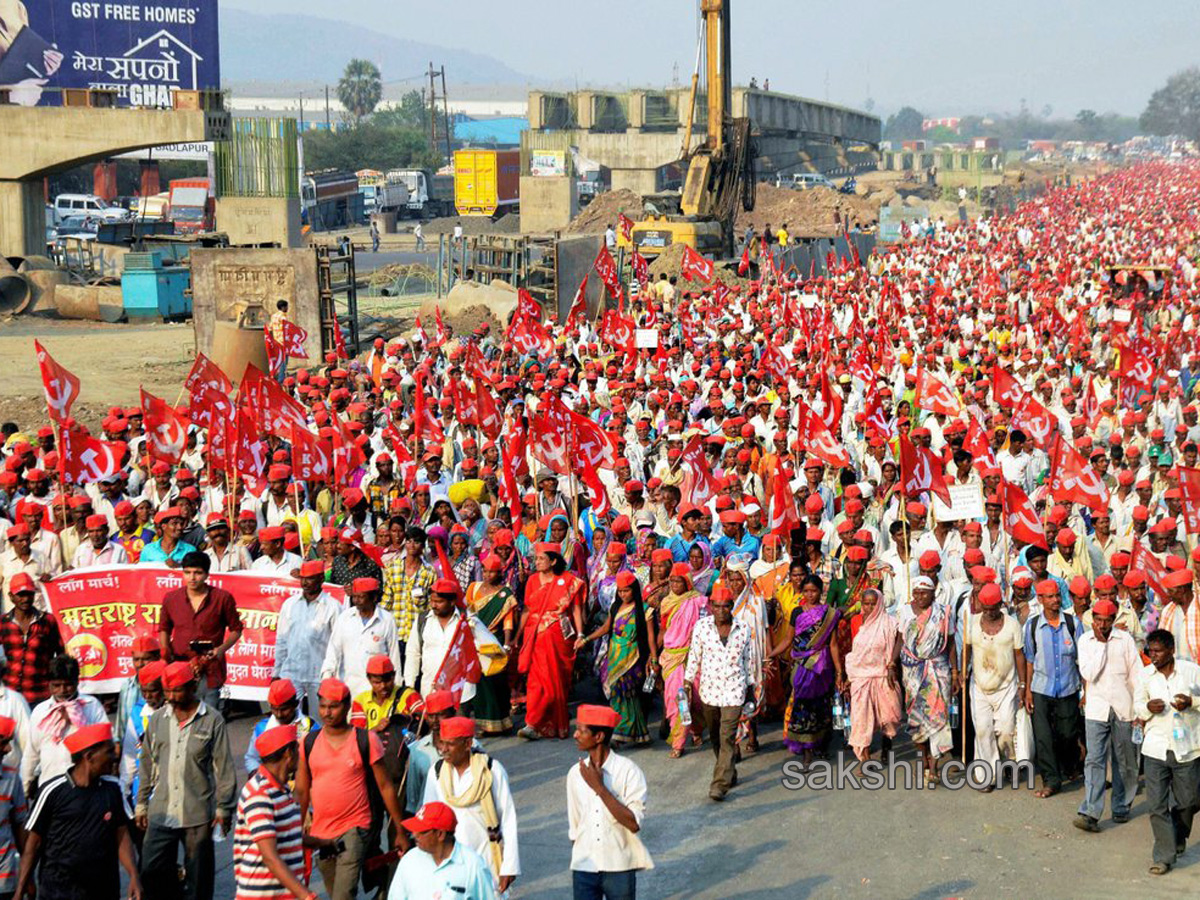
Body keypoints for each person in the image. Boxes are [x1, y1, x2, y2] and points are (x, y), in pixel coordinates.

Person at [293, 678, 407, 900]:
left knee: (343, 895)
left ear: (346, 707)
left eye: (333, 707)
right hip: (320, 833)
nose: (327, 712)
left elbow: (385, 786)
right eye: (323, 706)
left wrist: (400, 830)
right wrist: (296, 831)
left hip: (355, 828)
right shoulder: (308, 743)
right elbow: (302, 791)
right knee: (336, 891)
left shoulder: (365, 739)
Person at [136, 661, 237, 900]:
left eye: (177, 690)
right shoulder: (158, 719)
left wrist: (224, 809)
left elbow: (224, 768)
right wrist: (141, 803)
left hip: (197, 814)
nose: (171, 696)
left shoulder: (212, 720)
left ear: (192, 687)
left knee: (199, 879)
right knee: (151, 870)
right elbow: (147, 763)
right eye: (167, 691)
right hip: (161, 811)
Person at [15, 723, 142, 900]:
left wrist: (134, 876)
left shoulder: (112, 789)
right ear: (89, 756)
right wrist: (20, 890)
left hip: (103, 889)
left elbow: (121, 835)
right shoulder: (52, 791)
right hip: (59, 890)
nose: (115, 757)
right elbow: (33, 844)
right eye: (109, 752)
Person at [422, 716, 519, 894]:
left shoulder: (491, 770)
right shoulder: (436, 773)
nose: (443, 750)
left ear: (467, 744)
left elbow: (507, 817)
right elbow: (428, 819)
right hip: (449, 861)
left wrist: (509, 866)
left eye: (450, 744)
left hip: (487, 859)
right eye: (442, 743)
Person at [566, 704, 653, 900]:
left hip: (619, 866)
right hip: (584, 866)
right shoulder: (574, 774)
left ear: (598, 737)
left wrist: (600, 789)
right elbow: (575, 825)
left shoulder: (629, 771)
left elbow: (633, 823)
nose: (575, 735)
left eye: (581, 730)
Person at [1136, 628, 1200, 876]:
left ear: (1171, 650)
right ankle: (1163, 856)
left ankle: (1177, 835)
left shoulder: (1191, 672)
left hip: (1188, 749)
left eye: (1158, 651)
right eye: (1150, 651)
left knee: (1190, 801)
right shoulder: (1145, 676)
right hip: (1155, 748)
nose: (1154, 656)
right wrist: (1147, 708)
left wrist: (1191, 702)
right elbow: (1137, 706)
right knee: (1156, 805)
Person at [1074, 597, 1141, 832]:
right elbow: (1089, 674)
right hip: (1096, 707)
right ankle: (1090, 811)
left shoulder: (1125, 640)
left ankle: (1121, 806)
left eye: (1107, 621)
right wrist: (1102, 645)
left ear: (1114, 620)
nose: (1102, 625)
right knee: (1094, 759)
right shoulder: (1086, 641)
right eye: (1099, 620)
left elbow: (1136, 674)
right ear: (1093, 620)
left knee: (1124, 760)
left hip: (1124, 706)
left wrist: (1139, 708)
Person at [683, 585, 755, 801]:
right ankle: (729, 770)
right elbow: (694, 656)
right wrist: (687, 683)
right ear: (711, 607)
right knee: (715, 735)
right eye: (717, 606)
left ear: (732, 607)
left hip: (735, 689)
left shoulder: (743, 629)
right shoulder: (702, 628)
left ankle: (719, 784)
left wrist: (751, 688)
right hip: (709, 690)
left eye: (725, 607)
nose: (721, 611)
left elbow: (748, 661)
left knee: (727, 736)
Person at [232, 724, 317, 900]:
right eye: (297, 748)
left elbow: (288, 834)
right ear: (288, 753)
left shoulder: (282, 788)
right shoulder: (259, 794)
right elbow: (270, 856)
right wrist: (306, 895)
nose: (300, 754)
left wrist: (324, 843)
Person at [770, 573, 845, 767]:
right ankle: (806, 751)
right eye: (806, 591)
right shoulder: (797, 612)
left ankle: (821, 745)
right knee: (803, 706)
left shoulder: (829, 614)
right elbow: (788, 640)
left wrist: (839, 672)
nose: (810, 595)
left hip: (822, 666)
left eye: (814, 591)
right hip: (802, 667)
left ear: (821, 592)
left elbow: (834, 644)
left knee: (822, 706)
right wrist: (771, 654)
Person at [576, 572, 657, 746]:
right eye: (620, 591)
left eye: (626, 591)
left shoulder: (644, 610)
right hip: (615, 655)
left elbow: (650, 637)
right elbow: (606, 627)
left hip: (633, 657)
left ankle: (621, 731)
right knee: (618, 694)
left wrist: (654, 658)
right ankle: (640, 733)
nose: (623, 595)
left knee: (626, 693)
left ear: (633, 590)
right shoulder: (615, 607)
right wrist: (587, 639)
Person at [158, 550, 243, 709]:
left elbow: (236, 630)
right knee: (179, 712)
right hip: (179, 664)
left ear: (206, 574)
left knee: (208, 715)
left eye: (197, 573)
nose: (192, 577)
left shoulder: (222, 598)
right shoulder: (171, 598)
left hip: (209, 667)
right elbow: (164, 629)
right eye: (187, 572)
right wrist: (165, 652)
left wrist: (221, 649)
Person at [517, 543, 585, 740]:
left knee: (556, 680)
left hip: (558, 637)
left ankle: (550, 724)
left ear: (553, 561)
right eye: (536, 559)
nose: (537, 562)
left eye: (541, 559)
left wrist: (580, 634)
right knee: (536, 681)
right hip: (535, 635)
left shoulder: (568, 581)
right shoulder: (531, 581)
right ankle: (533, 723)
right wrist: (517, 636)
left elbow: (576, 610)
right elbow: (527, 610)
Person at [1023, 578, 1083, 798]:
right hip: (1041, 689)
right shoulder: (1032, 626)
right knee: (1043, 736)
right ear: (1040, 599)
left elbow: (1082, 659)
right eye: (1049, 597)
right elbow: (1030, 659)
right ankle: (1051, 780)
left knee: (1067, 734)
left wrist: (1084, 691)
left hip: (1068, 688)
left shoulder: (1073, 623)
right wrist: (1027, 690)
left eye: (1057, 595)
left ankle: (1071, 763)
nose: (1055, 600)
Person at [963, 583, 1026, 790]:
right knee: (983, 730)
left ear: (1000, 604)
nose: (989, 612)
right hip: (979, 686)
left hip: (1006, 686)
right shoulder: (970, 623)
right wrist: (961, 673)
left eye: (993, 608)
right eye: (985, 607)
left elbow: (1019, 655)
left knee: (1006, 730)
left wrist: (1023, 685)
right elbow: (967, 649)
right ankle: (987, 776)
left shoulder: (1012, 625)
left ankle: (1007, 762)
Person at [898, 575, 960, 785]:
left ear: (933, 593)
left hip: (938, 669)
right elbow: (900, 640)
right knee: (915, 717)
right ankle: (923, 758)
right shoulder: (905, 611)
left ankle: (933, 764)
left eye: (924, 593)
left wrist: (954, 671)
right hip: (912, 672)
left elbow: (950, 642)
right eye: (916, 593)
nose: (920, 597)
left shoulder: (944, 613)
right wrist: (891, 664)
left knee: (938, 716)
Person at [22, 653, 107, 796]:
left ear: (77, 682)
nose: (62, 691)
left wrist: (77, 720)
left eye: (68, 685)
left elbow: (104, 747)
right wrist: (26, 783)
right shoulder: (41, 711)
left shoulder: (92, 706)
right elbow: (31, 753)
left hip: (84, 788)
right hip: (49, 787)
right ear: (49, 684)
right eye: (56, 685)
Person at [387, 801, 495, 900]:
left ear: (440, 834)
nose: (414, 835)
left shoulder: (473, 866)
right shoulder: (409, 861)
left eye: (421, 831)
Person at [844, 586, 902, 764]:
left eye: (873, 604)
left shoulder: (891, 623)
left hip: (884, 675)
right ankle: (865, 759)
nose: (869, 608)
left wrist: (892, 665)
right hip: (860, 677)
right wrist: (848, 676)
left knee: (890, 716)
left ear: (880, 604)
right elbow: (852, 651)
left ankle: (887, 745)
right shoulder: (855, 621)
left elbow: (899, 641)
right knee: (861, 719)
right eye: (866, 604)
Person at [274, 560, 341, 714]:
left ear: (321, 579)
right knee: (287, 719)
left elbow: (337, 645)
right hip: (291, 672)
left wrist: (332, 676)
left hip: (319, 674)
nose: (305, 582)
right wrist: (276, 673)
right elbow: (281, 641)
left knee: (320, 721)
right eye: (302, 578)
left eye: (310, 578)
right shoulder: (290, 604)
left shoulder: (333, 606)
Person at [322, 577, 402, 698]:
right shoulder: (345, 618)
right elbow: (333, 650)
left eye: (361, 597)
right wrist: (327, 677)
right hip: (347, 688)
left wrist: (396, 689)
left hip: (376, 691)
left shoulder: (387, 620)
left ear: (374, 598)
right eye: (354, 597)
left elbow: (394, 657)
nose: (356, 601)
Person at [464, 555, 517, 734]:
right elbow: (467, 612)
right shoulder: (473, 588)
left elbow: (508, 622)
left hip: (495, 641)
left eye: (492, 571)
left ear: (499, 573)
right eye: (485, 571)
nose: (487, 575)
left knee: (497, 682)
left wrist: (508, 645)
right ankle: (483, 723)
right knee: (480, 682)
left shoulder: (505, 594)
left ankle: (501, 721)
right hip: (476, 640)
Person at [657, 563, 705, 757]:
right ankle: (678, 742)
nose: (675, 585)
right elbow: (662, 630)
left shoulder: (699, 602)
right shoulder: (666, 603)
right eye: (672, 581)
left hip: (694, 655)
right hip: (672, 657)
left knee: (696, 699)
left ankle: (696, 730)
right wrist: (653, 656)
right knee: (676, 699)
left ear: (687, 582)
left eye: (679, 581)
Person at [0, 572, 63, 706]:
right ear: (11, 597)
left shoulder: (47, 621)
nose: (25, 599)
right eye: (20, 595)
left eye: (29, 594)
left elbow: (60, 653)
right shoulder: (3, 622)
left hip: (41, 695)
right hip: (10, 695)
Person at [244, 679, 319, 776]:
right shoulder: (262, 728)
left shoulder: (311, 727)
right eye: (275, 709)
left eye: (284, 709)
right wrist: (257, 773)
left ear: (295, 704)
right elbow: (251, 758)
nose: (279, 715)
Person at [0, 716, 26, 898]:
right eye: (3, 743)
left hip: (5, 875)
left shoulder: (11, 777)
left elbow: (20, 825)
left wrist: (27, 876)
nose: (8, 750)